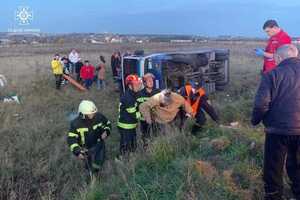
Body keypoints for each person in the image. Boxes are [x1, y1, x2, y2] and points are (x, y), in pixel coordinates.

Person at [251, 44, 300, 200]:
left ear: (278, 58)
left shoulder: (272, 75)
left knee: (273, 167)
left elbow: (261, 104)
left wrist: (255, 120)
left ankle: (273, 196)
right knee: (297, 164)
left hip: (277, 130)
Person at [67, 100, 111, 173]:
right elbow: (71, 139)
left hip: (99, 143)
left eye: (94, 112)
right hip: (86, 148)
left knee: (100, 159)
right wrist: (77, 151)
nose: (93, 114)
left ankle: (97, 171)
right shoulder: (76, 124)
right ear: (83, 114)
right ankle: (90, 174)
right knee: (88, 163)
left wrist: (106, 131)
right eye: (91, 113)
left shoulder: (99, 117)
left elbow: (108, 124)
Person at [117, 74, 141, 155]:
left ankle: (131, 158)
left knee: (133, 144)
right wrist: (145, 112)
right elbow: (134, 115)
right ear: (130, 85)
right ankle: (120, 159)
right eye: (136, 84)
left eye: (139, 84)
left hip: (131, 124)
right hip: (125, 125)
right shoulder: (128, 97)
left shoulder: (133, 94)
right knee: (125, 145)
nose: (138, 86)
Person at [136, 73, 161, 148]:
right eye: (149, 81)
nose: (151, 82)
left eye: (152, 80)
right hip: (144, 120)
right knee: (145, 136)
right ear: (144, 83)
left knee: (157, 134)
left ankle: (157, 148)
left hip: (156, 119)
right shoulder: (140, 94)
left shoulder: (157, 92)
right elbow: (138, 107)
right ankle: (146, 148)